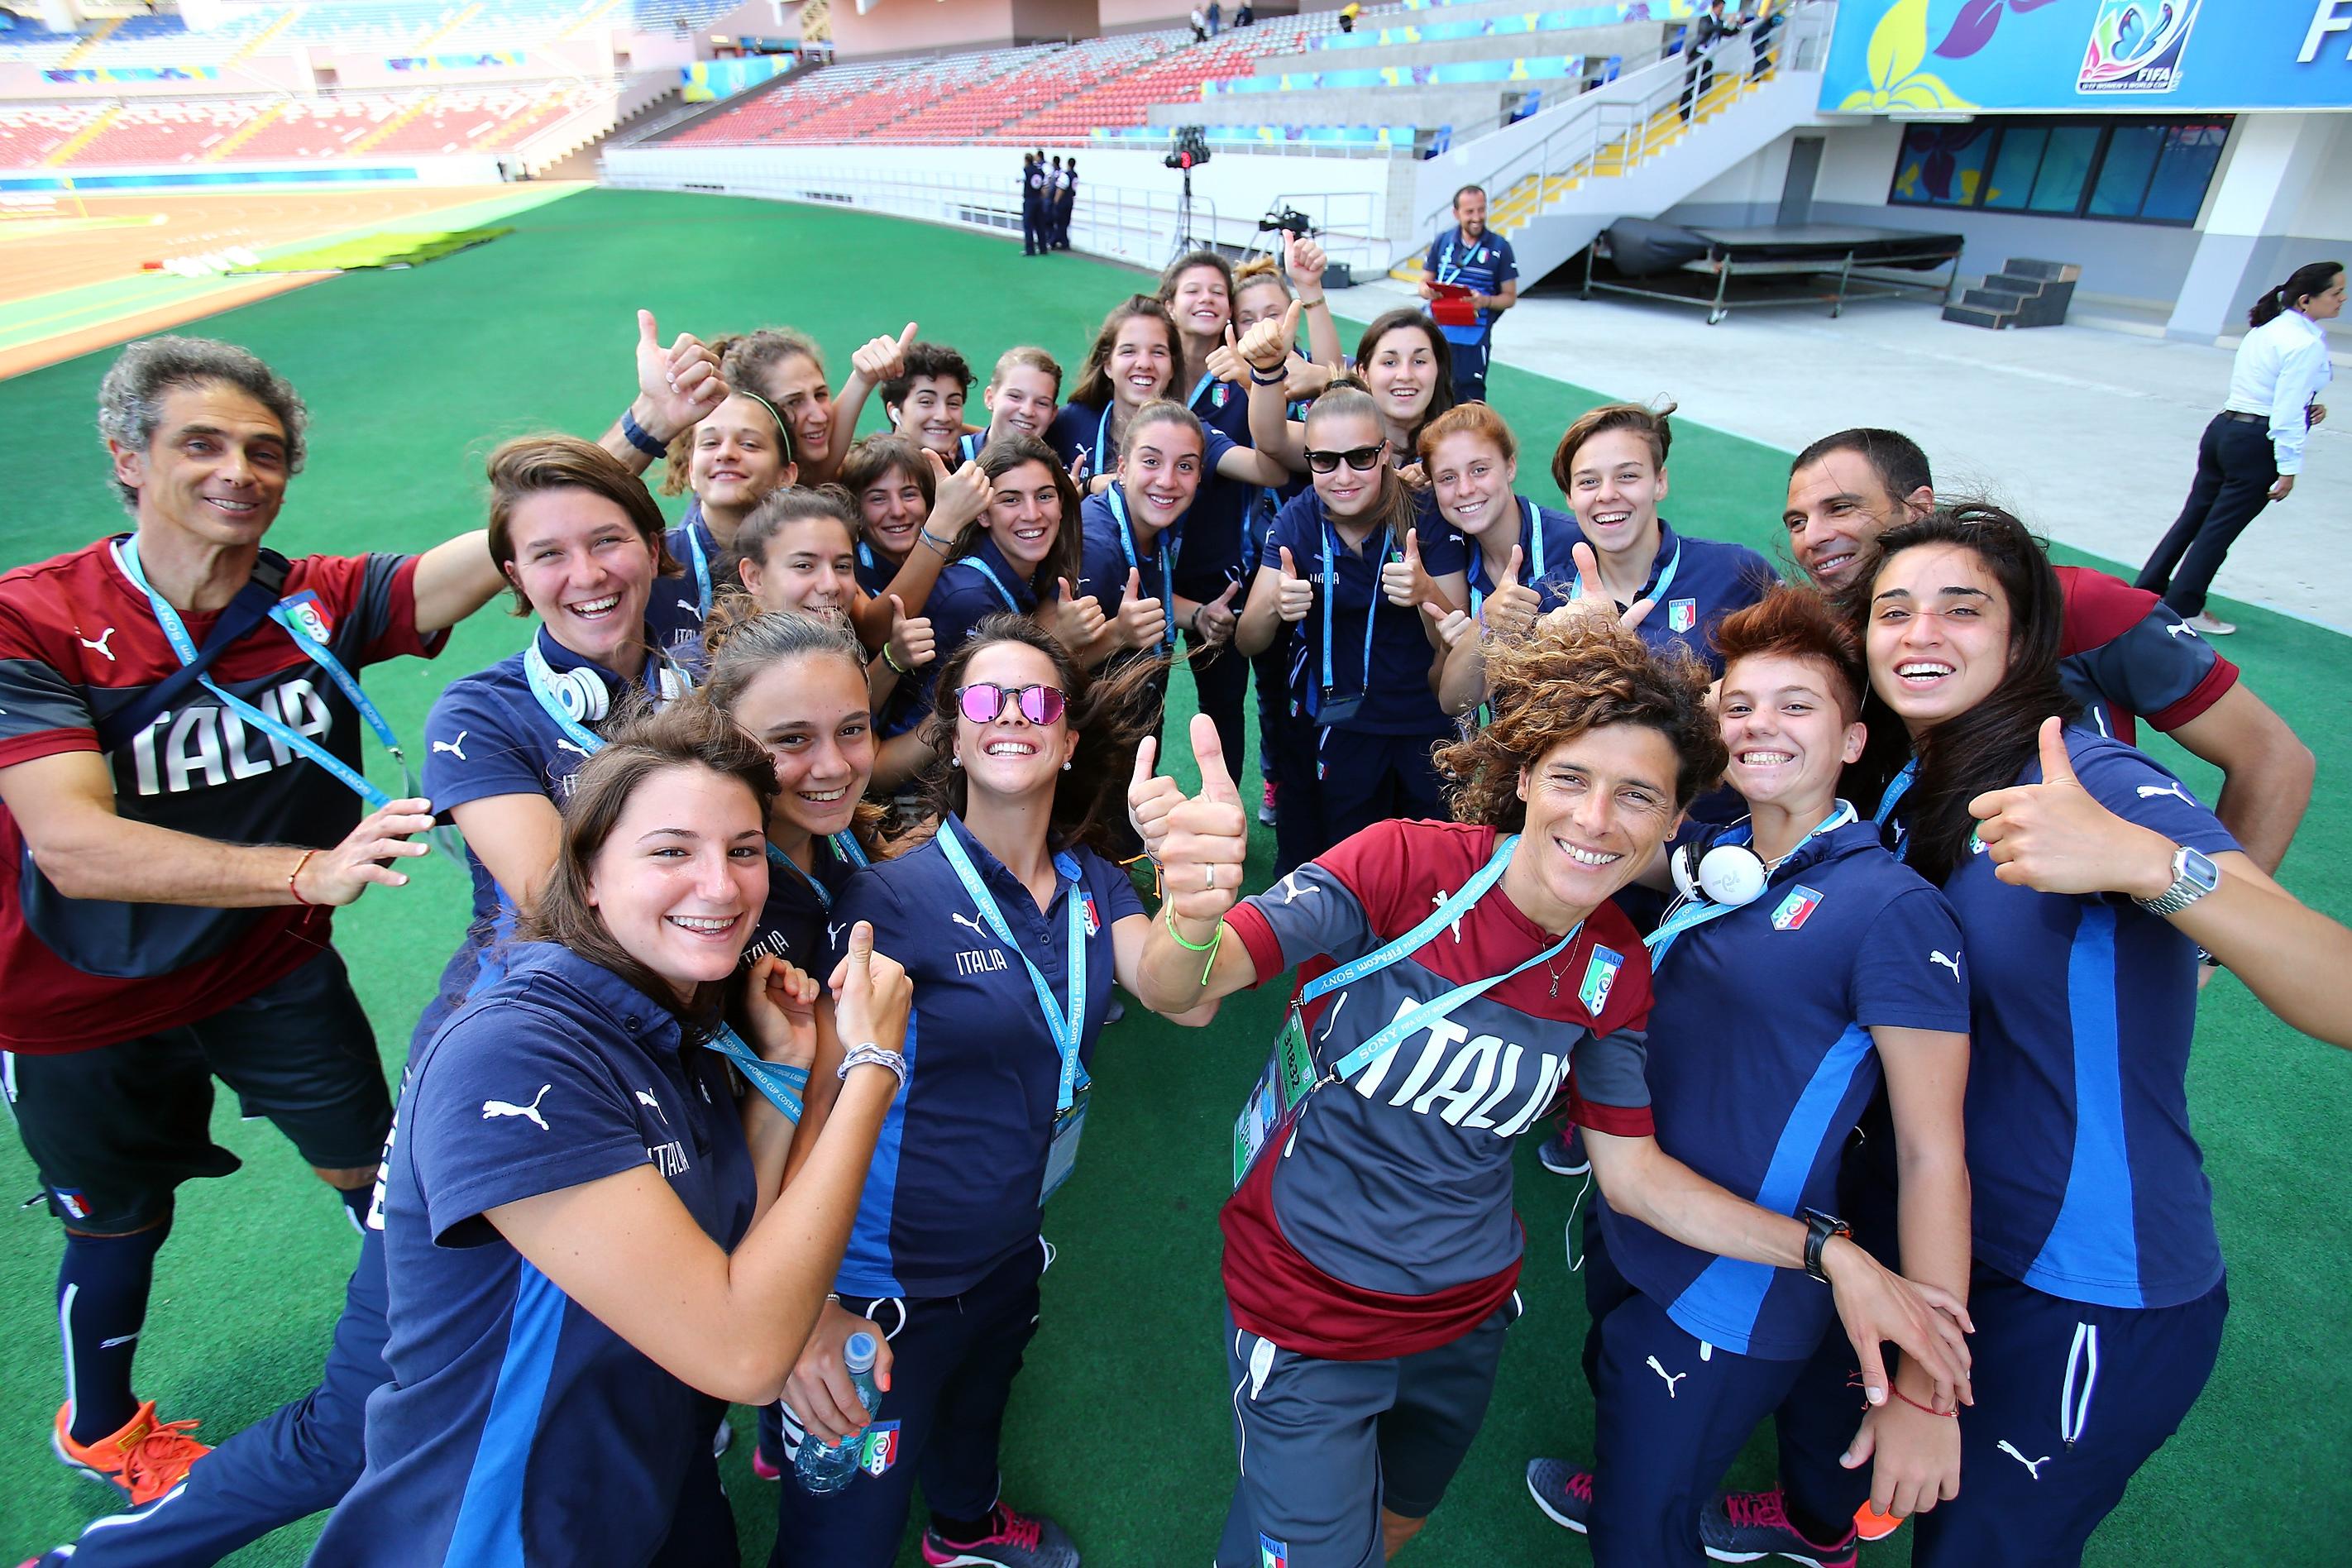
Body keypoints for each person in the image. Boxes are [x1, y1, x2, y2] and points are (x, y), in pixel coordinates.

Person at [1129, 618, 1972, 1568]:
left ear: (1671, 823)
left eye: (1639, 797)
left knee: (1395, 1520)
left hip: (1463, 1319)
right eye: (1572, 778)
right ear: (1525, 775)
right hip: (1308, 1311)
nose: (1597, 819)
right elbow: (1180, 990)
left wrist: (1829, 1254)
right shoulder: (1402, 865)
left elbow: (1635, 1177)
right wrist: (1191, 916)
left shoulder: (1614, 961)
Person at [12, 436, 684, 1568]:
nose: (587, 573)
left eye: (612, 540)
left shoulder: (688, 662)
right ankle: (96, 1548)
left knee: (566, 1319)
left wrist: (644, 435)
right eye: (549, 556)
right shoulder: (484, 712)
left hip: (322, 989)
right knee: (361, 1410)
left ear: (658, 553)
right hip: (488, 1078)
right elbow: (566, 907)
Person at [1722, 501, 2352, 1568]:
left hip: (2080, 1282)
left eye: (1960, 610)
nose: (1920, 634)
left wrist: (2155, 869)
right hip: (1928, 1216)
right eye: (1893, 612)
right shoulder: (1916, 779)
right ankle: (1812, 1530)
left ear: (2021, 640)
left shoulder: (2092, 779)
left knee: (1975, 1544)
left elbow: (2335, 988)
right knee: (1833, 1444)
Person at [0, 336, 503, 1509]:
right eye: (203, 444)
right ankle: (101, 1427)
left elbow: (461, 569)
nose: (241, 470)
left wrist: (627, 443)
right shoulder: (33, 621)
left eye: (265, 451)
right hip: (78, 997)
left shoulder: (309, 603)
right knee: (116, 1224)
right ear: (129, 459)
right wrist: (301, 873)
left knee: (375, 1172)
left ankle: (441, 1361)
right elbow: (72, 846)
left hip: (264, 971)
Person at [311, 700, 910, 1566]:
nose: (720, 884)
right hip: (504, 1530)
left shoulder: (678, 1018)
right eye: (671, 851)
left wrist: (786, 1075)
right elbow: (744, 1352)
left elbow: (734, 1245)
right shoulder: (514, 1051)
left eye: (742, 850)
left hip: (648, 1485)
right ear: (587, 873)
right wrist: (870, 1071)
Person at [1523, 587, 1973, 1566]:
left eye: (1797, 706)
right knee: (1621, 1398)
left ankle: (1650, 1484)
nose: (1760, 724)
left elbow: (1934, 1150)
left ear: (1855, 742)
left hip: (1738, 1279)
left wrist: (1929, 1386)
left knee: (1638, 1540)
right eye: (1739, 706)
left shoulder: (1891, 911)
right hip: (1640, 1213)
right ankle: (1646, 1462)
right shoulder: (1725, 856)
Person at [770, 617, 1178, 1568]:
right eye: (985, 702)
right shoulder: (889, 898)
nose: (1011, 719)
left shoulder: (1097, 883)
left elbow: (1174, 988)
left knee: (978, 1409)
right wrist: (808, 1309)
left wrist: (1195, 905)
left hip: (1006, 1247)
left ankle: (963, 1531)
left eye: (1036, 702)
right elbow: (816, 1103)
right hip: (881, 1283)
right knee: (843, 1530)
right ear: (953, 734)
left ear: (1068, 739)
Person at [1784, 425, 2312, 874]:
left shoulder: (2078, 603)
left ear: (1918, 508)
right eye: (1798, 522)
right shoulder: (1836, 634)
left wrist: (2203, 945)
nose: (1814, 537)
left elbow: (2273, 759)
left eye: (1841, 508)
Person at [694, 605, 892, 1484]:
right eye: (791, 741)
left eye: (852, 730)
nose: (832, 764)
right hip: (714, 1249)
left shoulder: (828, 834)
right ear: (727, 742)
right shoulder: (716, 908)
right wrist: (801, 1306)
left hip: (791, 1213)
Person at [1234, 383, 1468, 867]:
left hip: (1423, 721)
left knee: (1433, 864)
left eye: (1360, 456)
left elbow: (1459, 641)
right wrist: (1274, 605)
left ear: (1385, 452)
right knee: (1347, 863)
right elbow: (1248, 640)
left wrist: (1427, 595)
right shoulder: (1298, 520)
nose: (1343, 475)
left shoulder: (1423, 514)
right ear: (1309, 459)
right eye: (1325, 460)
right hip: (1338, 722)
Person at [2136, 260, 2341, 634]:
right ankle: (2183, 607)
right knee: (2219, 531)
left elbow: (2273, 393)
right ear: (2307, 300)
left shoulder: (2268, 330)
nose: (2343, 300)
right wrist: (2289, 467)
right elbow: (2284, 411)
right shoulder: (2305, 343)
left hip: (2224, 430)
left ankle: (2147, 591)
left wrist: (2307, 407)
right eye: (2336, 293)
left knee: (2194, 518)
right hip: (2256, 444)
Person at [1546, 400, 1776, 676]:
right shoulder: (1547, 600)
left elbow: (1800, 667)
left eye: (1627, 475)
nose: (1606, 494)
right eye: (1588, 482)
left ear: (1660, 482)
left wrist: (1716, 695)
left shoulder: (1737, 573)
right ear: (1570, 496)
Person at [1417, 402, 1581, 715]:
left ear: (1510, 467)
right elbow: (1447, 698)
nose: (1465, 489)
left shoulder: (1573, 544)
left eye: (1479, 470)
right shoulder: (1453, 561)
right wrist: (1459, 644)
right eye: (1447, 478)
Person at [1247, 308, 1460, 479]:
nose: (1405, 374)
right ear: (1363, 373)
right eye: (1390, 362)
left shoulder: (1459, 442)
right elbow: (1273, 439)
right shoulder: (1339, 432)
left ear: (1438, 370)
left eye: (1419, 361)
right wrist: (1268, 369)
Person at [657, 389, 801, 633]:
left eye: (749, 444)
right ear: (691, 471)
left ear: (786, 475)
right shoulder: (657, 564)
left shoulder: (812, 559)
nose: (725, 454)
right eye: (710, 443)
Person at [1417, 187, 1518, 405]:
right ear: (1456, 213)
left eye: (1481, 210)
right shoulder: (1443, 241)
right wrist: (1428, 290)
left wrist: (1485, 301)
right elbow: (1423, 284)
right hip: (1437, 332)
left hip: (1474, 336)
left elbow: (1510, 297)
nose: (1477, 218)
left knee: (1470, 398)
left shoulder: (1500, 247)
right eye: (1470, 211)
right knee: (1433, 392)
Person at [881, 341, 975, 464]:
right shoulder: (868, 469)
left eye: (953, 403)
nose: (943, 417)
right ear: (894, 412)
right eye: (926, 402)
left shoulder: (966, 463)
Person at [966, 347, 1063, 461]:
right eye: (1015, 396)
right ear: (990, 398)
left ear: (1053, 414)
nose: (1027, 411)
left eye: (1042, 403)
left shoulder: (1055, 472)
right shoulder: (950, 460)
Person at [1680, 0, 1738, 122]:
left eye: (1723, 10)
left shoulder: (1721, 23)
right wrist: (1727, 23)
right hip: (1698, 54)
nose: (1721, 12)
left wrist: (1738, 25)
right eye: (1720, 9)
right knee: (1690, 83)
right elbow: (1707, 29)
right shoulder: (1705, 19)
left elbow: (1729, 32)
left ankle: (1689, 106)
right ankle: (1684, 111)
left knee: (1705, 86)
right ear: (1715, 8)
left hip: (1709, 57)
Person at [1021, 152, 1047, 257]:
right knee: (1040, 225)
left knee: (1028, 226)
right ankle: (1043, 248)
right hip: (1039, 200)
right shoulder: (1040, 171)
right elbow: (1044, 185)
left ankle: (1030, 250)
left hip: (1029, 200)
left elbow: (1017, 179)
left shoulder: (1025, 171)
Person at [1054, 158, 1078, 251]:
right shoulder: (1075, 175)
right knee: (1066, 222)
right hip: (1070, 201)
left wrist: (1056, 200)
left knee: (1060, 222)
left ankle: (1062, 242)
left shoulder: (1065, 175)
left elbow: (1061, 189)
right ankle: (1063, 242)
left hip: (1063, 202)